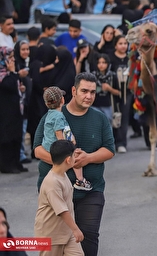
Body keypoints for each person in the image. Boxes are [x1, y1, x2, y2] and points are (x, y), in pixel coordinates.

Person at [34, 72, 115, 256]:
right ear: (73, 91)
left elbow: (109, 150)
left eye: (93, 92)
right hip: (55, 192)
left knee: (87, 240)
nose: (89, 96)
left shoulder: (100, 118)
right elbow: (37, 150)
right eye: (84, 91)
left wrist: (88, 158)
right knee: (54, 245)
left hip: (90, 191)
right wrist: (65, 162)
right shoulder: (53, 115)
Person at [34, 140, 84, 256]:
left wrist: (72, 230)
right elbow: (62, 210)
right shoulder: (52, 182)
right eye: (73, 155)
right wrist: (76, 229)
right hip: (51, 235)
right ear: (68, 160)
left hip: (67, 232)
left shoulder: (62, 173)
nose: (75, 158)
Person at [42, 86, 92, 191]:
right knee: (76, 155)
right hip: (56, 145)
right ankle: (80, 180)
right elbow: (58, 132)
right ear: (62, 100)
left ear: (47, 103)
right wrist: (65, 147)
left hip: (47, 144)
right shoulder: (58, 116)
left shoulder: (50, 114)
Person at [0, 46, 27, 174]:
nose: (13, 60)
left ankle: (16, 163)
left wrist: (21, 88)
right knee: (7, 138)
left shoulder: (10, 73)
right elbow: (8, 85)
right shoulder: (2, 74)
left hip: (16, 110)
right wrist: (13, 73)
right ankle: (7, 165)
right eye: (9, 57)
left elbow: (15, 84)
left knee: (17, 136)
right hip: (5, 112)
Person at [108, 35, 130, 153]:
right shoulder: (110, 58)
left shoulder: (130, 58)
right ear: (115, 45)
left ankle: (122, 143)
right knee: (115, 117)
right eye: (120, 43)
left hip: (127, 93)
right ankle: (114, 142)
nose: (123, 46)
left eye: (125, 43)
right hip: (113, 93)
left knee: (124, 118)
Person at [92, 54, 120, 124]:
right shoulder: (92, 76)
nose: (101, 65)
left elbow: (118, 92)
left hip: (108, 105)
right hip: (95, 105)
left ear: (108, 64)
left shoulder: (112, 76)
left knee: (107, 125)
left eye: (104, 62)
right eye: (99, 62)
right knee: (96, 125)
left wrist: (109, 89)